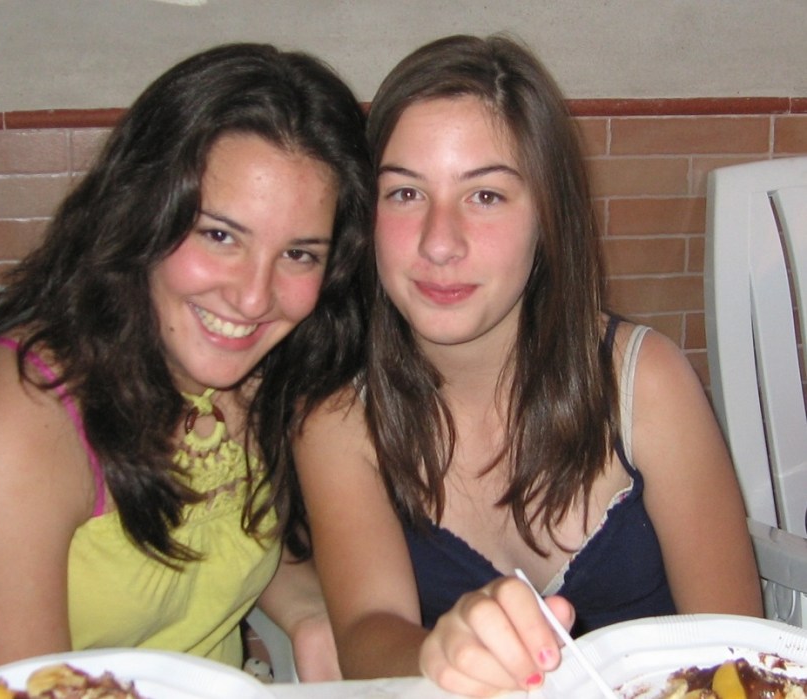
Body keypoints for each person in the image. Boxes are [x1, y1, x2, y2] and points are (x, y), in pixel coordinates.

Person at [0, 42, 372, 699]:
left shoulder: (260, 374)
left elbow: (215, 545)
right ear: (141, 212)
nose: (254, 297)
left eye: (298, 254)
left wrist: (308, 611)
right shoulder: (10, 424)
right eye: (219, 235)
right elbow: (26, 691)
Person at [293, 33, 762, 697]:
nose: (439, 242)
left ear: (547, 215)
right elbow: (368, 631)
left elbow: (740, 651)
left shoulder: (646, 384)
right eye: (404, 193)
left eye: (485, 196)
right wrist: (441, 650)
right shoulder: (338, 418)